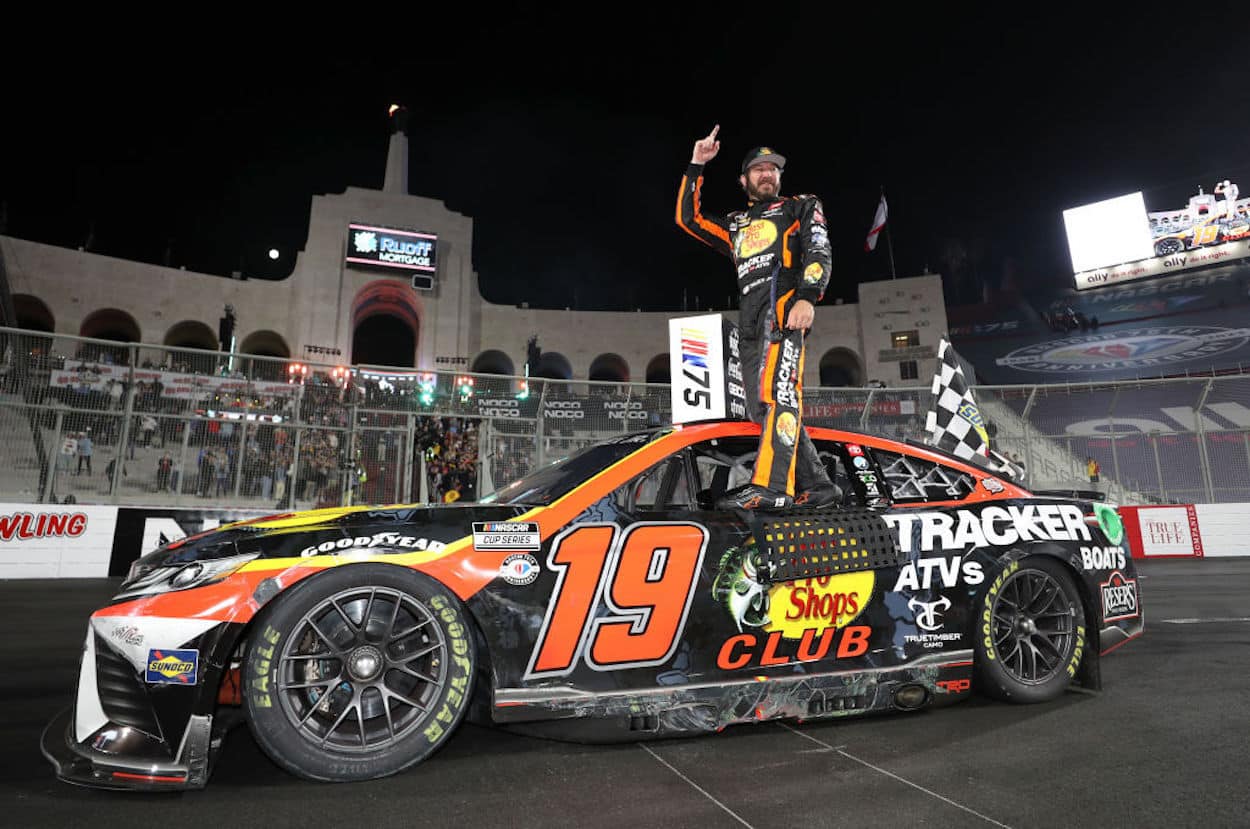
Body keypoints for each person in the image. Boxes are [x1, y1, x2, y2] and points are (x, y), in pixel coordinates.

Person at [677, 126, 838, 510]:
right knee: (759, 408)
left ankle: (772, 487)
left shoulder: (800, 205)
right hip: (748, 321)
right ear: (744, 179)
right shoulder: (735, 225)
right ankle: (819, 487)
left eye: (773, 169)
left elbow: (820, 249)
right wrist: (697, 164)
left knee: (778, 395)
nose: (767, 174)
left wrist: (807, 297)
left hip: (784, 308)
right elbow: (689, 219)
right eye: (758, 169)